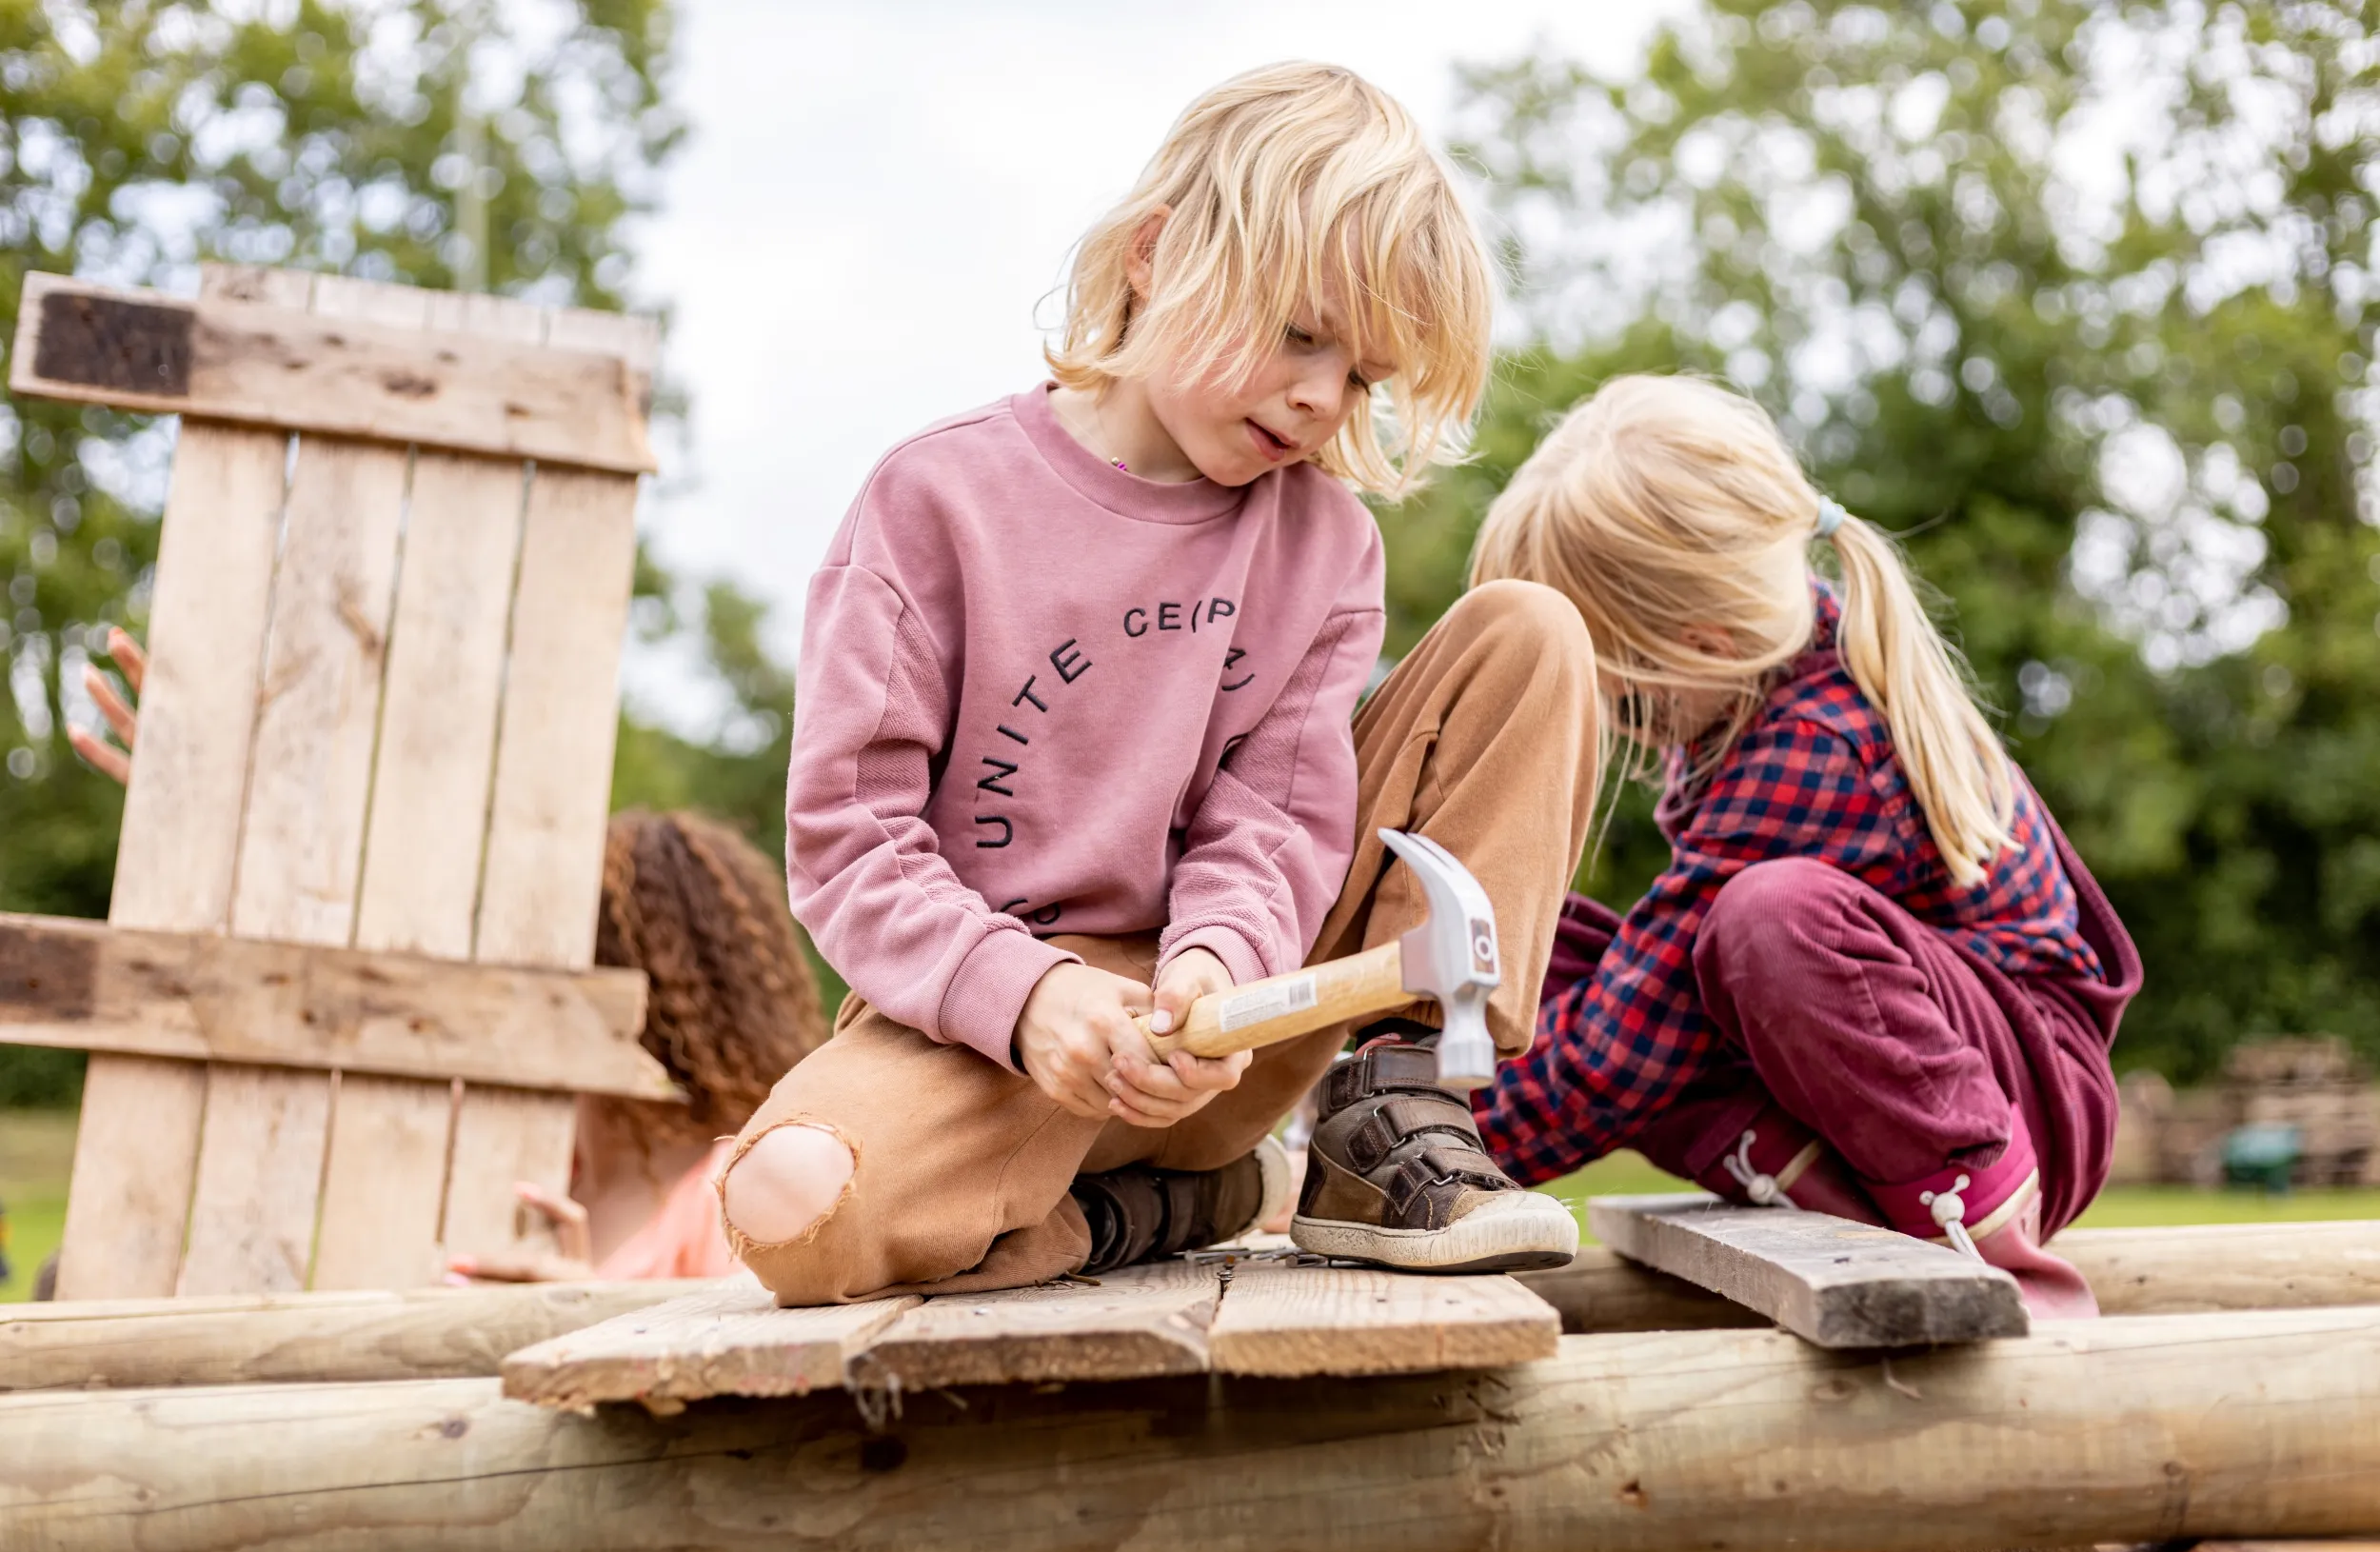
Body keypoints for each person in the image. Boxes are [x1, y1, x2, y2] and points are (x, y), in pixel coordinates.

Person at [718, 61, 1605, 1303]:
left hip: (1241, 1018)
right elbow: (851, 842)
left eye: (1362, 376)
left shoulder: (1325, 545)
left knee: (1528, 634)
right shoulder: (934, 501)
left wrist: (1217, 965)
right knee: (789, 1206)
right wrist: (1030, 999)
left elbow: (1275, 817)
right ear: (1156, 254)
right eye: (1303, 332)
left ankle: (1388, 1126)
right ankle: (1153, 1211)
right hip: (1000, 1038)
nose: (1320, 395)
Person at [1466, 372, 2143, 1318]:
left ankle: (1999, 1259)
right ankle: (1827, 1194)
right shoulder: (1750, 691)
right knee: (1547, 948)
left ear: (1695, 645)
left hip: (2019, 1103)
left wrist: (1449, 1158)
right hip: (1913, 1070)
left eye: (1618, 691)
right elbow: (1641, 993)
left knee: (1766, 923)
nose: (1616, 720)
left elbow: (1623, 1051)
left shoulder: (1816, 745)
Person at [70, 639, 824, 1283]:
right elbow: (324, 1031)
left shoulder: (739, 1195)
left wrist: (591, 1314)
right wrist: (236, 841)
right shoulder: (504, 1140)